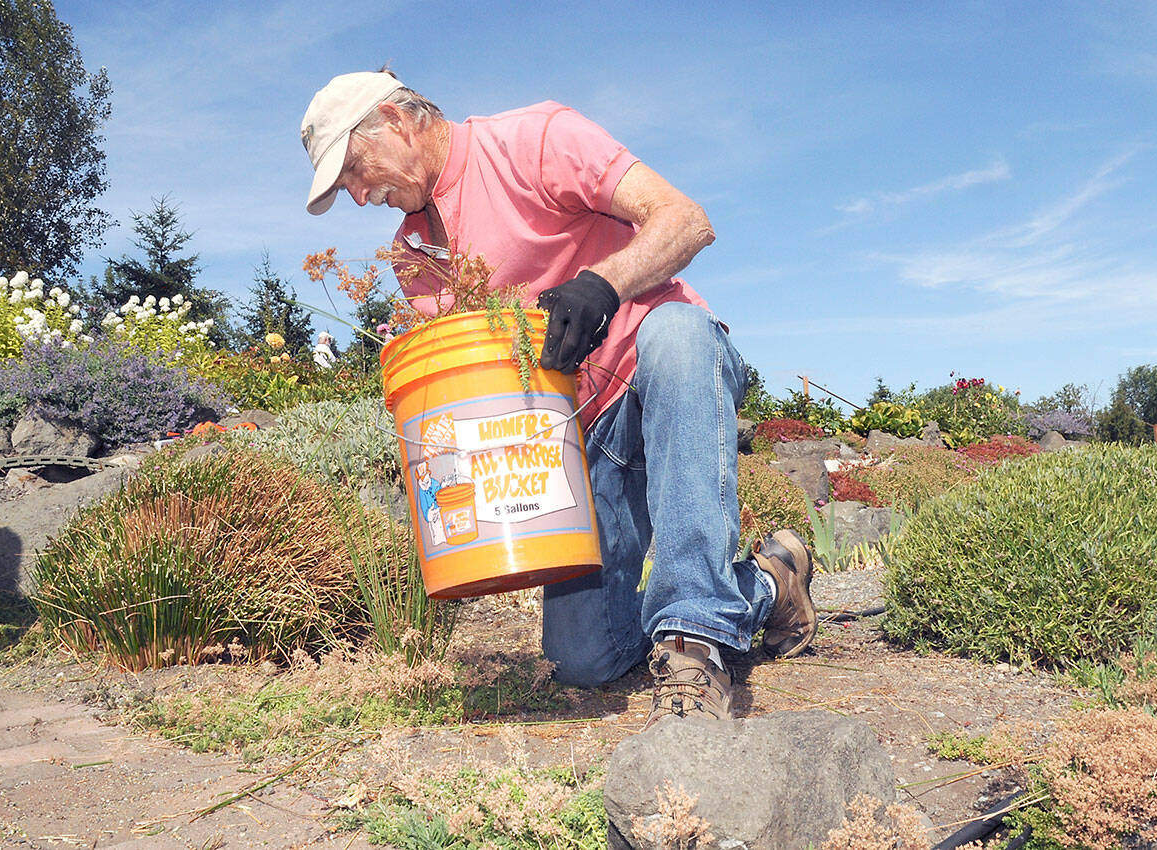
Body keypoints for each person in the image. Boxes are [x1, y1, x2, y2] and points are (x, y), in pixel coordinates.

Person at [300, 69, 817, 725]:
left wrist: (603, 286)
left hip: (658, 374)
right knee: (583, 659)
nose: (357, 194)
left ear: (396, 122)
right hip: (583, 433)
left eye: (351, 169)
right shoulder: (413, 254)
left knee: (682, 335)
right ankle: (770, 582)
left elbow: (686, 220)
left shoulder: (535, 140)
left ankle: (695, 649)